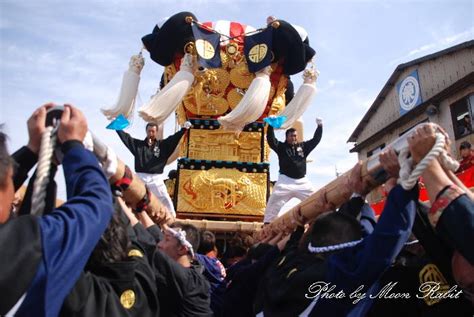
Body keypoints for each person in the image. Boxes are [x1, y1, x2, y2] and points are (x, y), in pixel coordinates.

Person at [256, 150, 418, 316]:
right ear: (344, 252)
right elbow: (385, 241)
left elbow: (298, 248)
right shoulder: (334, 278)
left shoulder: (280, 271)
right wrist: (402, 185)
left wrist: (356, 198)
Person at [0, 104, 114, 316]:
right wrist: (73, 146)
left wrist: (32, 151)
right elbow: (95, 203)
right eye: (9, 178)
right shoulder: (33, 247)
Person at [116, 122, 189, 217]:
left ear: (156, 132)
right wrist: (117, 127)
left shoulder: (162, 146)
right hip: (140, 177)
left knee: (164, 198)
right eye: (149, 131)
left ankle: (172, 219)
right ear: (146, 131)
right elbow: (127, 138)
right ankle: (127, 218)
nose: (151, 133)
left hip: (156, 178)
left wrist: (183, 129)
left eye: (153, 131)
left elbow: (173, 138)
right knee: (132, 196)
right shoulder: (138, 145)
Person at [264, 118, 323, 223]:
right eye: (291, 136)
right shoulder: (281, 147)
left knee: (316, 200)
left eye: (295, 136)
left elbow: (316, 140)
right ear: (286, 137)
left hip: (302, 182)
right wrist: (271, 126)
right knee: (272, 203)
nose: (294, 138)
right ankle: (267, 224)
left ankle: (321, 221)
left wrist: (320, 127)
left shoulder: (303, 147)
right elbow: (271, 140)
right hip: (285, 181)